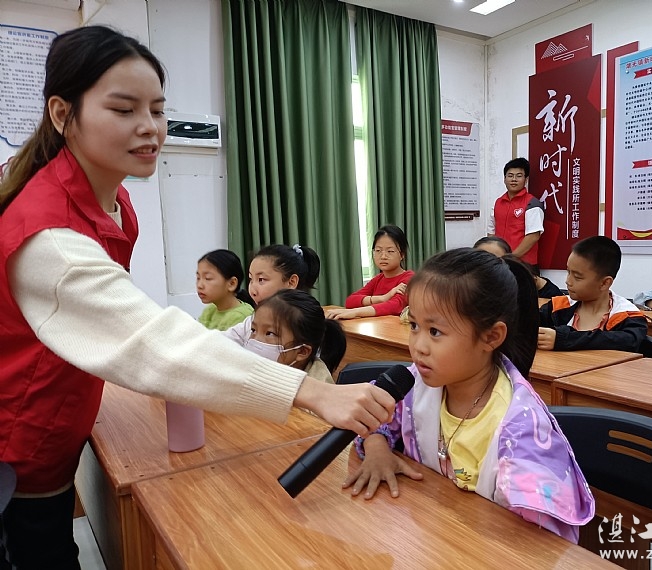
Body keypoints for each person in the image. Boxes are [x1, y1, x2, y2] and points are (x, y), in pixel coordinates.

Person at [0, 26, 393, 569]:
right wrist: (311, 393)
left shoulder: (115, 203)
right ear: (63, 113)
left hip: (56, 422)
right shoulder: (48, 236)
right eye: (123, 109)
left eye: (158, 109)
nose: (149, 126)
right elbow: (152, 341)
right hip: (20, 437)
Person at [343, 248, 595, 543]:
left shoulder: (522, 430)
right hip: (430, 536)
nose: (418, 346)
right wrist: (377, 450)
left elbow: (541, 542)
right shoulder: (415, 382)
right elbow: (373, 415)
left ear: (491, 336)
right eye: (414, 326)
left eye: (435, 331)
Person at [538, 236, 647, 352]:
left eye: (577, 277)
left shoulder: (628, 317)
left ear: (604, 283)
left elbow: (627, 342)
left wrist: (563, 339)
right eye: (568, 272)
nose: (568, 281)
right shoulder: (557, 307)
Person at [224, 289, 347, 381]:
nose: (255, 340)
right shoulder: (257, 372)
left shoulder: (316, 391)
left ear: (302, 351)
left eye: (270, 333)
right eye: (253, 330)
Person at [326, 225, 413, 320]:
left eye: (390, 251)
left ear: (402, 255)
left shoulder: (409, 278)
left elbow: (395, 306)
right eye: (378, 250)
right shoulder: (378, 279)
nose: (383, 256)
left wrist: (355, 312)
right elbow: (350, 301)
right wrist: (383, 298)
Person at [487, 157, 544, 272]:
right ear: (504, 179)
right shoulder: (498, 203)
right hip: (501, 264)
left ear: (526, 180)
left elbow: (533, 236)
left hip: (525, 265)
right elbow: (491, 232)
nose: (514, 179)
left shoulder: (532, 203)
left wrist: (512, 257)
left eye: (518, 176)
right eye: (510, 176)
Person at [196, 249, 254, 330]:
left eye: (208, 278)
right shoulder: (210, 310)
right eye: (198, 278)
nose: (199, 285)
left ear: (232, 283)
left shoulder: (241, 316)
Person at [248, 243, 320, 306]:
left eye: (261, 279)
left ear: (292, 282)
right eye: (251, 279)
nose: (252, 292)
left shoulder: (308, 316)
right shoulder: (253, 317)